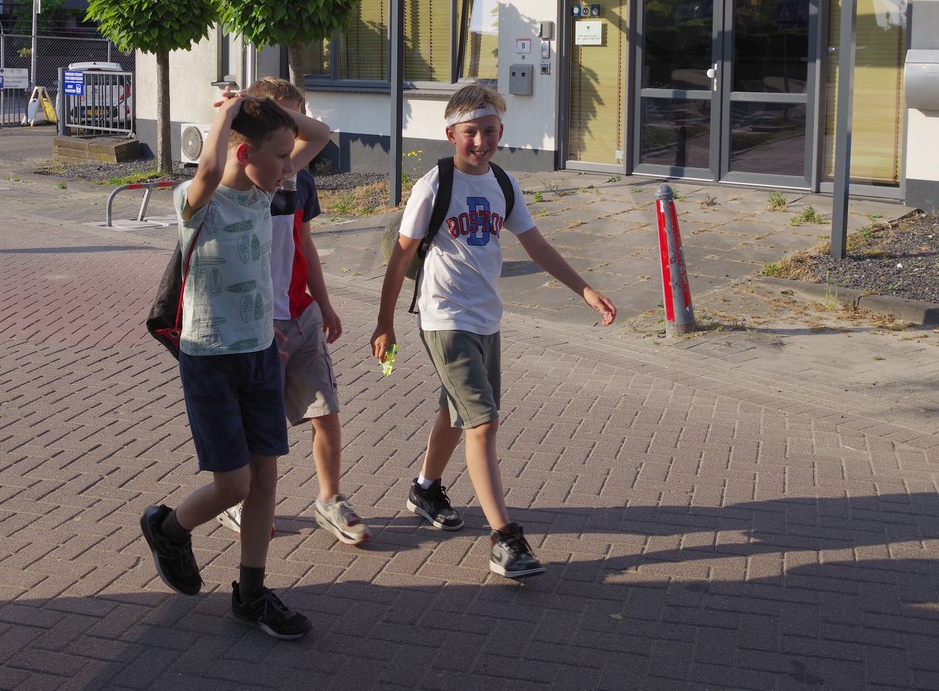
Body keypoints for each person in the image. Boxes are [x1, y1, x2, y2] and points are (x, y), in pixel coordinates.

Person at [372, 84, 616, 579]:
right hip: (444, 317)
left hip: (487, 318)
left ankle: (425, 488)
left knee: (457, 408)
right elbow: (401, 256)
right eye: (470, 132)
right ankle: (505, 539)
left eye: (489, 131)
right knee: (482, 423)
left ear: (501, 131)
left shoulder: (503, 183)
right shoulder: (434, 186)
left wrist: (585, 290)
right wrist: (384, 322)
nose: (480, 141)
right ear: (450, 135)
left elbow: (536, 245)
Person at [140, 90, 330, 639]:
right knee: (234, 485)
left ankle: (251, 594)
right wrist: (226, 115)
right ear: (245, 155)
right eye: (279, 155)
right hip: (210, 360)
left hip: (260, 354)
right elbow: (208, 169)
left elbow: (317, 135)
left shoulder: (264, 194)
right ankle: (170, 529)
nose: (288, 166)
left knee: (265, 478)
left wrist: (261, 109)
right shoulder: (197, 201)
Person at [214, 78, 370, 545]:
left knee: (325, 412)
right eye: (278, 121)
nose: (290, 140)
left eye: (293, 122)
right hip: (259, 321)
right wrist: (243, 110)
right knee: (259, 425)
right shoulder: (242, 180)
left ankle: (330, 499)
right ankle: (242, 502)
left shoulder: (296, 175)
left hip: (300, 314)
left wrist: (324, 302)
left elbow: (304, 241)